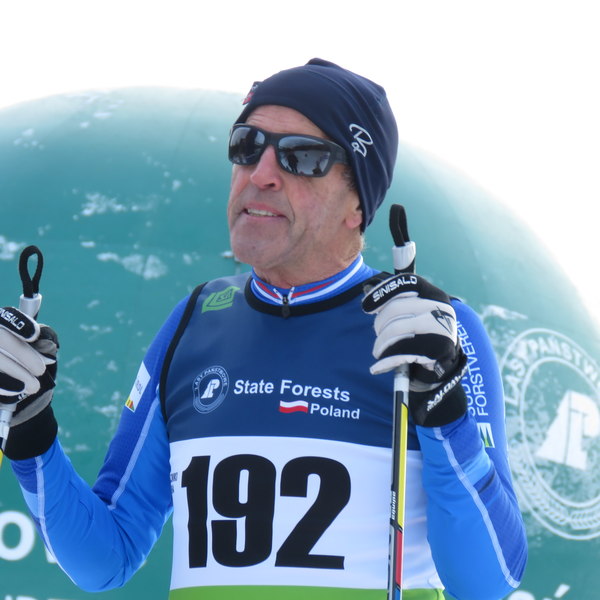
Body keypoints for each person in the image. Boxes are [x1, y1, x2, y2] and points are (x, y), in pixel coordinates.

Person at [0, 58, 527, 600]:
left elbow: (488, 582)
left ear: (357, 204)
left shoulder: (427, 330)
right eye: (247, 146)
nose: (262, 173)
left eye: (303, 157)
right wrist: (29, 427)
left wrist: (444, 412)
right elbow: (104, 559)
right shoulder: (193, 322)